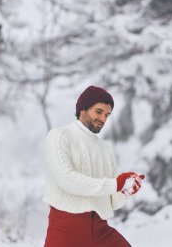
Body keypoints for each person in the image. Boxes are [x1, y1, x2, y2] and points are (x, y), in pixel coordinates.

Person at [43, 85, 145, 247]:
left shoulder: (105, 148)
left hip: (99, 228)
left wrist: (125, 191)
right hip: (66, 228)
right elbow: (66, 179)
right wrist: (115, 184)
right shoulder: (59, 136)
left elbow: (112, 201)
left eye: (107, 114)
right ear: (83, 108)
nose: (103, 119)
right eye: (98, 112)